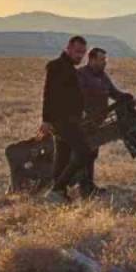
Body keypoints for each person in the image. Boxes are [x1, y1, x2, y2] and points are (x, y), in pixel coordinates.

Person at [39, 35, 95, 201]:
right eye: (77, 52)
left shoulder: (70, 68)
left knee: (63, 156)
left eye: (82, 53)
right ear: (68, 48)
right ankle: (57, 188)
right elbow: (48, 94)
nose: (80, 56)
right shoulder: (56, 66)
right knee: (85, 152)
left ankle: (58, 193)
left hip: (71, 120)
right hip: (62, 121)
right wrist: (46, 120)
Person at [75, 47, 136, 192]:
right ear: (92, 59)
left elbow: (114, 93)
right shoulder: (81, 75)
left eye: (105, 59)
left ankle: (88, 185)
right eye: (102, 59)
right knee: (82, 154)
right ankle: (82, 186)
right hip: (82, 123)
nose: (105, 62)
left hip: (97, 122)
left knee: (92, 153)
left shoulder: (102, 77)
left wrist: (129, 98)